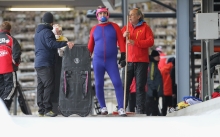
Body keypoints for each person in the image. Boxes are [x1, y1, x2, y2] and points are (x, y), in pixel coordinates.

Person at [87, 6, 126, 116]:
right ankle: (103, 107)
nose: (102, 15)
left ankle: (121, 108)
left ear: (107, 14)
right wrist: (86, 58)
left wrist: (123, 56)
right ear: (97, 16)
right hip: (97, 61)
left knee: (117, 83)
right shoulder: (94, 29)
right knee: (99, 84)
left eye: (104, 13)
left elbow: (121, 42)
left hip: (111, 61)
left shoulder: (115, 27)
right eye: (100, 14)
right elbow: (90, 46)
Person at [34, 12, 74, 117]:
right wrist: (65, 43)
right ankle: (47, 109)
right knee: (49, 85)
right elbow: (51, 44)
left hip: (38, 63)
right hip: (46, 62)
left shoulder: (38, 33)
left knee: (41, 86)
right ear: (51, 23)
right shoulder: (48, 32)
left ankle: (41, 110)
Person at [121, 8, 154, 114]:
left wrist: (136, 42)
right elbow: (120, 43)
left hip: (142, 61)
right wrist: (123, 37)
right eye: (129, 15)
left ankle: (140, 108)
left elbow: (150, 41)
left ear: (139, 16)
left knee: (140, 86)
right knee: (125, 85)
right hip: (129, 60)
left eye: (132, 15)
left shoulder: (146, 27)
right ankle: (122, 107)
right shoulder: (126, 28)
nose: (130, 17)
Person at [0, 21, 21, 110]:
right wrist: (16, 63)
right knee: (11, 87)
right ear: (10, 29)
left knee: (1, 88)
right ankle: (4, 106)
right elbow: (17, 54)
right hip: (8, 68)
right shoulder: (11, 39)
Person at [145, 50, 163, 116]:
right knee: (152, 108)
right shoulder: (152, 65)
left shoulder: (154, 65)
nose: (159, 58)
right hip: (152, 92)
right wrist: (154, 89)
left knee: (154, 107)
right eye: (157, 56)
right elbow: (150, 78)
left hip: (153, 92)